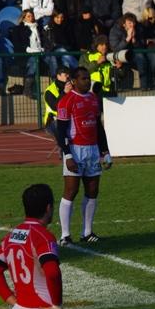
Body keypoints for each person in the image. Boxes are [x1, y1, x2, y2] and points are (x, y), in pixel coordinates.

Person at [56, 67, 111, 245]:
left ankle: (87, 232)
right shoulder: (66, 101)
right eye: (84, 79)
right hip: (75, 150)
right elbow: (61, 131)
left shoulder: (94, 99)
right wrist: (68, 155)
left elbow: (98, 128)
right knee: (71, 191)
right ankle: (65, 235)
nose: (87, 81)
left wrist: (105, 151)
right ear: (74, 81)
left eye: (88, 78)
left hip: (93, 150)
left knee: (93, 190)